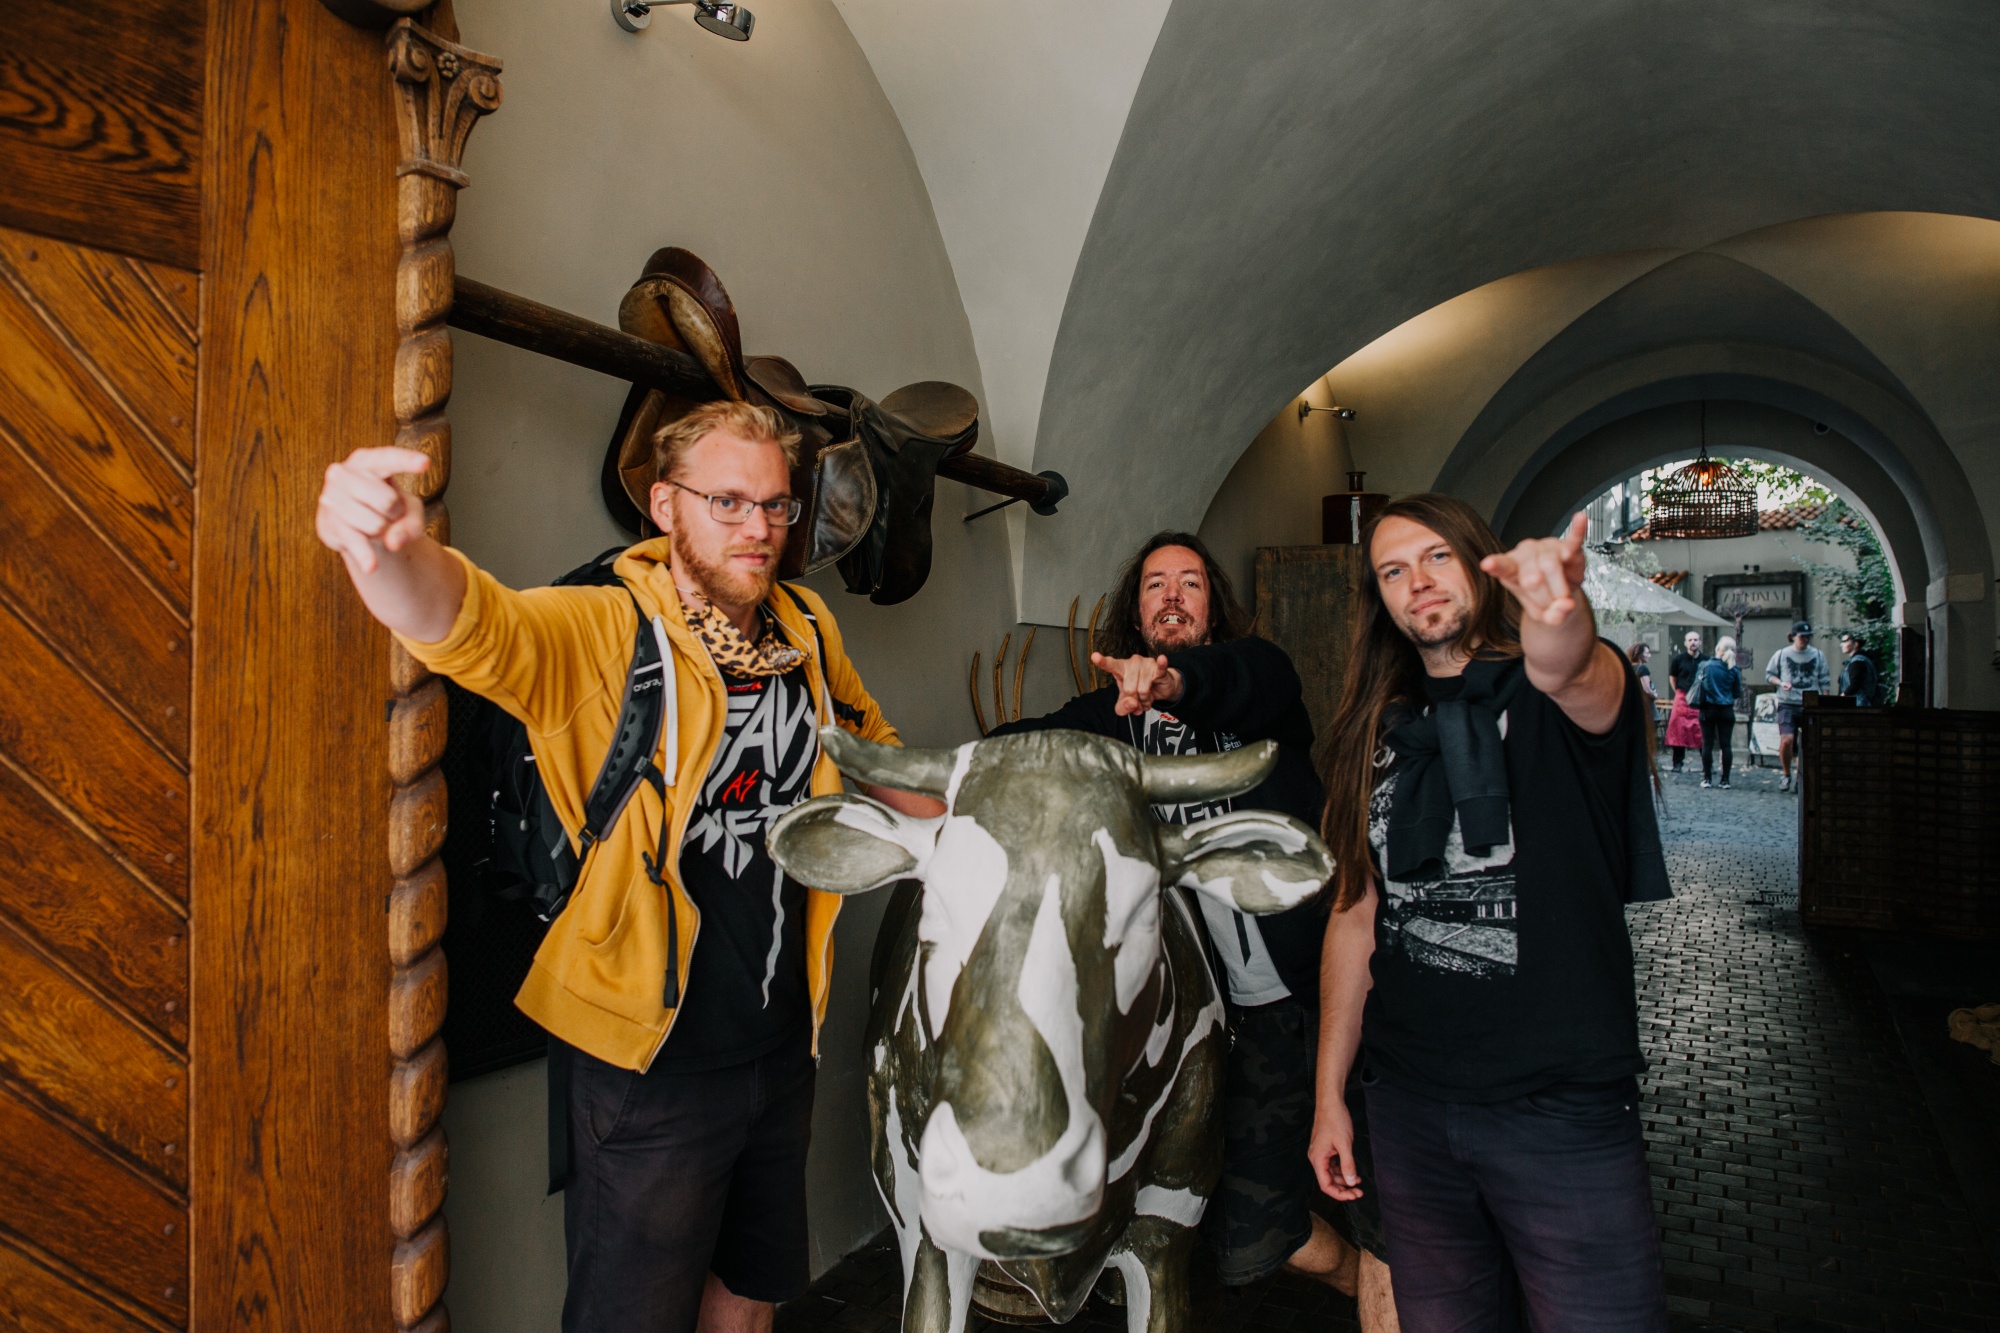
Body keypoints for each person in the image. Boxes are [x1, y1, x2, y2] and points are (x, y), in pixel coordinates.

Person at [315, 401, 944, 1333]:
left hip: (781, 1044)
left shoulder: (806, 628)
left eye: (775, 505)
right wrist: (389, 555)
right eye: (727, 501)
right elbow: (477, 625)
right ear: (665, 504)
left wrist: (985, 830)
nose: (758, 527)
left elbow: (874, 748)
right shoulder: (608, 629)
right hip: (646, 1064)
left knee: (749, 1302)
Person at [989, 532, 1394, 1328]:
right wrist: (951, 774)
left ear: (1214, 606)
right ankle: (1377, 1286)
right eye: (1155, 584)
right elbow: (1030, 745)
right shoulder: (1113, 719)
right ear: (1134, 610)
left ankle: (1401, 1282)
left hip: (1336, 988)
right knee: (1250, 1231)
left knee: (1389, 1201)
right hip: (1245, 1021)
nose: (1172, 595)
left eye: (1190, 582)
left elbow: (1237, 679)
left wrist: (1174, 681)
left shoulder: (1261, 679)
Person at [1308, 494, 1670, 1333]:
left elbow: (1574, 669)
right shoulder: (1376, 731)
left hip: (1560, 1109)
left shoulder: (1557, 698)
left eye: (1437, 556)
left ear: (1479, 561)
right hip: (1409, 1108)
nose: (1417, 581)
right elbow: (1355, 914)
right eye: (1393, 570)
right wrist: (1330, 1095)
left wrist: (1558, 615)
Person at [1765, 620, 1831, 792]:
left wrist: (1824, 703)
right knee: (1787, 740)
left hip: (1810, 704)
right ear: (1793, 636)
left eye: (1808, 637)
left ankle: (1800, 777)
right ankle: (1786, 774)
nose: (1806, 640)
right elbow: (1769, 675)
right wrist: (1780, 683)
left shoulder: (1817, 655)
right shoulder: (1782, 654)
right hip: (1787, 703)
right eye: (1802, 637)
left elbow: (1824, 680)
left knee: (1806, 743)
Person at [1694, 636, 1743, 790]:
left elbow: (1699, 685)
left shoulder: (1705, 666)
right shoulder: (1733, 669)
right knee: (1726, 745)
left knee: (1707, 743)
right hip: (1726, 709)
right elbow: (1737, 692)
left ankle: (1707, 778)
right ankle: (1725, 780)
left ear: (1717, 649)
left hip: (1708, 709)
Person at [1664, 629, 1705, 771]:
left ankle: (1707, 764)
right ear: (1685, 643)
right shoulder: (1678, 659)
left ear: (1700, 642)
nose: (1693, 642)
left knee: (1701, 730)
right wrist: (1679, 692)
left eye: (1695, 640)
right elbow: (1672, 678)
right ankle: (1677, 763)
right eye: (1690, 640)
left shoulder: (1706, 660)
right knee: (1678, 731)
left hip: (1699, 699)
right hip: (1682, 697)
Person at [1839, 631, 1884, 706]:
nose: (1841, 645)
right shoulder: (1856, 661)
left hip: (1857, 704)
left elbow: (1855, 685)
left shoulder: (1858, 662)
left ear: (1856, 644)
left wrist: (1843, 695)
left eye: (1845, 641)